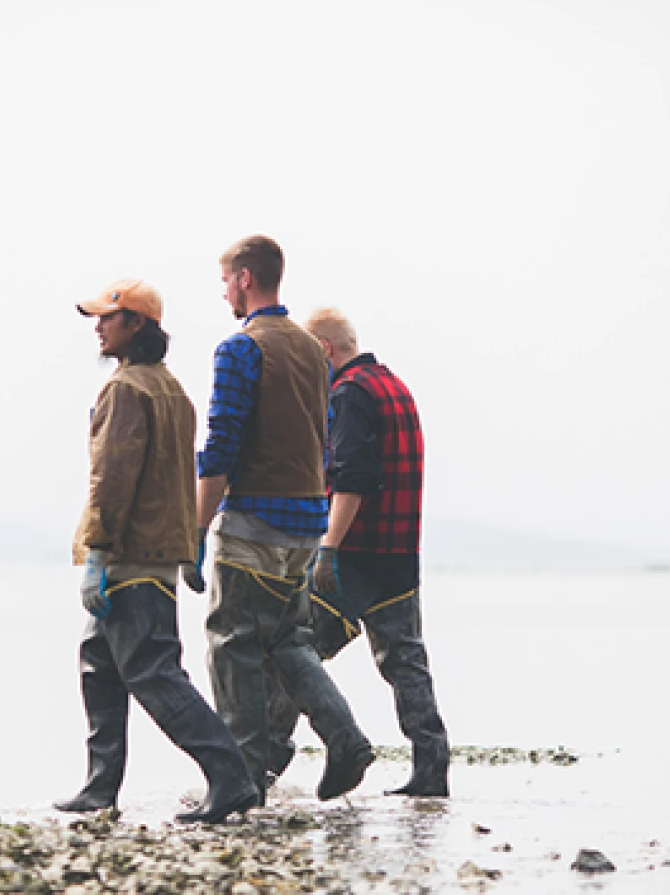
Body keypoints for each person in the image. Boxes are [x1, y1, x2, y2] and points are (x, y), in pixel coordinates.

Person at [55, 279, 258, 824]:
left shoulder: (127, 390)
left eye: (107, 317)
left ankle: (231, 776)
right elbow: (174, 479)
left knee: (153, 674)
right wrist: (185, 547)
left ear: (136, 324)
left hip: (129, 557)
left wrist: (97, 552)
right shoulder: (171, 388)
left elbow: (111, 479)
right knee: (99, 666)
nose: (97, 326)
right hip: (155, 555)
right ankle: (100, 787)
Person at [183, 236, 374, 804]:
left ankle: (238, 780)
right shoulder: (313, 351)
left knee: (233, 643)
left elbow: (220, 450)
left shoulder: (239, 350)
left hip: (254, 523)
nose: (222, 294)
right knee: (288, 641)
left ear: (245, 278)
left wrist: (195, 531)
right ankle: (345, 739)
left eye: (224, 282)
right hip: (307, 524)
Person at [266, 307, 450, 797]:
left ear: (324, 350)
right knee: (406, 663)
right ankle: (431, 772)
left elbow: (352, 477)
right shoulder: (395, 386)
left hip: (354, 558)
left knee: (293, 652)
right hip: (400, 557)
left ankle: (264, 762)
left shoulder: (349, 394)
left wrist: (327, 549)